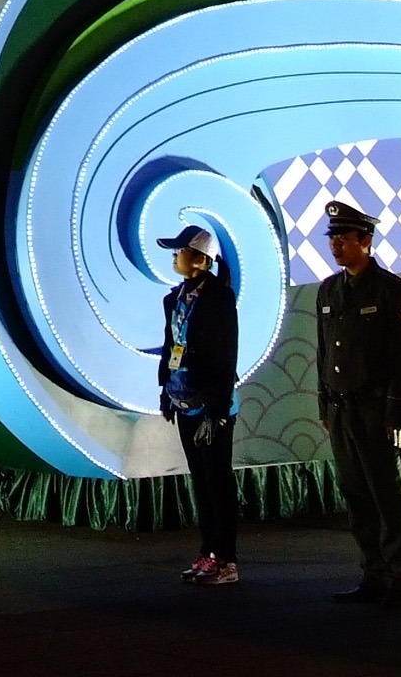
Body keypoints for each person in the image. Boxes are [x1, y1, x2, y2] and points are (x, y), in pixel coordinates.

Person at [315, 199, 401, 605]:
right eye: (333, 238)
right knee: (357, 495)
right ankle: (373, 573)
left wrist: (399, 413)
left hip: (377, 411)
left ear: (367, 240)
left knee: (390, 496)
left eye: (344, 237)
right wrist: (325, 406)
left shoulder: (393, 290)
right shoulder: (329, 290)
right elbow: (324, 354)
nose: (336, 244)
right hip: (342, 411)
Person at [156, 224, 241, 585]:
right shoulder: (174, 298)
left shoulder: (219, 299)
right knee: (201, 482)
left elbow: (226, 355)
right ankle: (207, 552)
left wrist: (218, 411)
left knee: (218, 481)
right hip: (183, 399)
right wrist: (165, 391)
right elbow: (170, 345)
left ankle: (227, 560)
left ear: (201, 261)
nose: (175, 256)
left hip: (211, 405)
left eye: (181, 251)